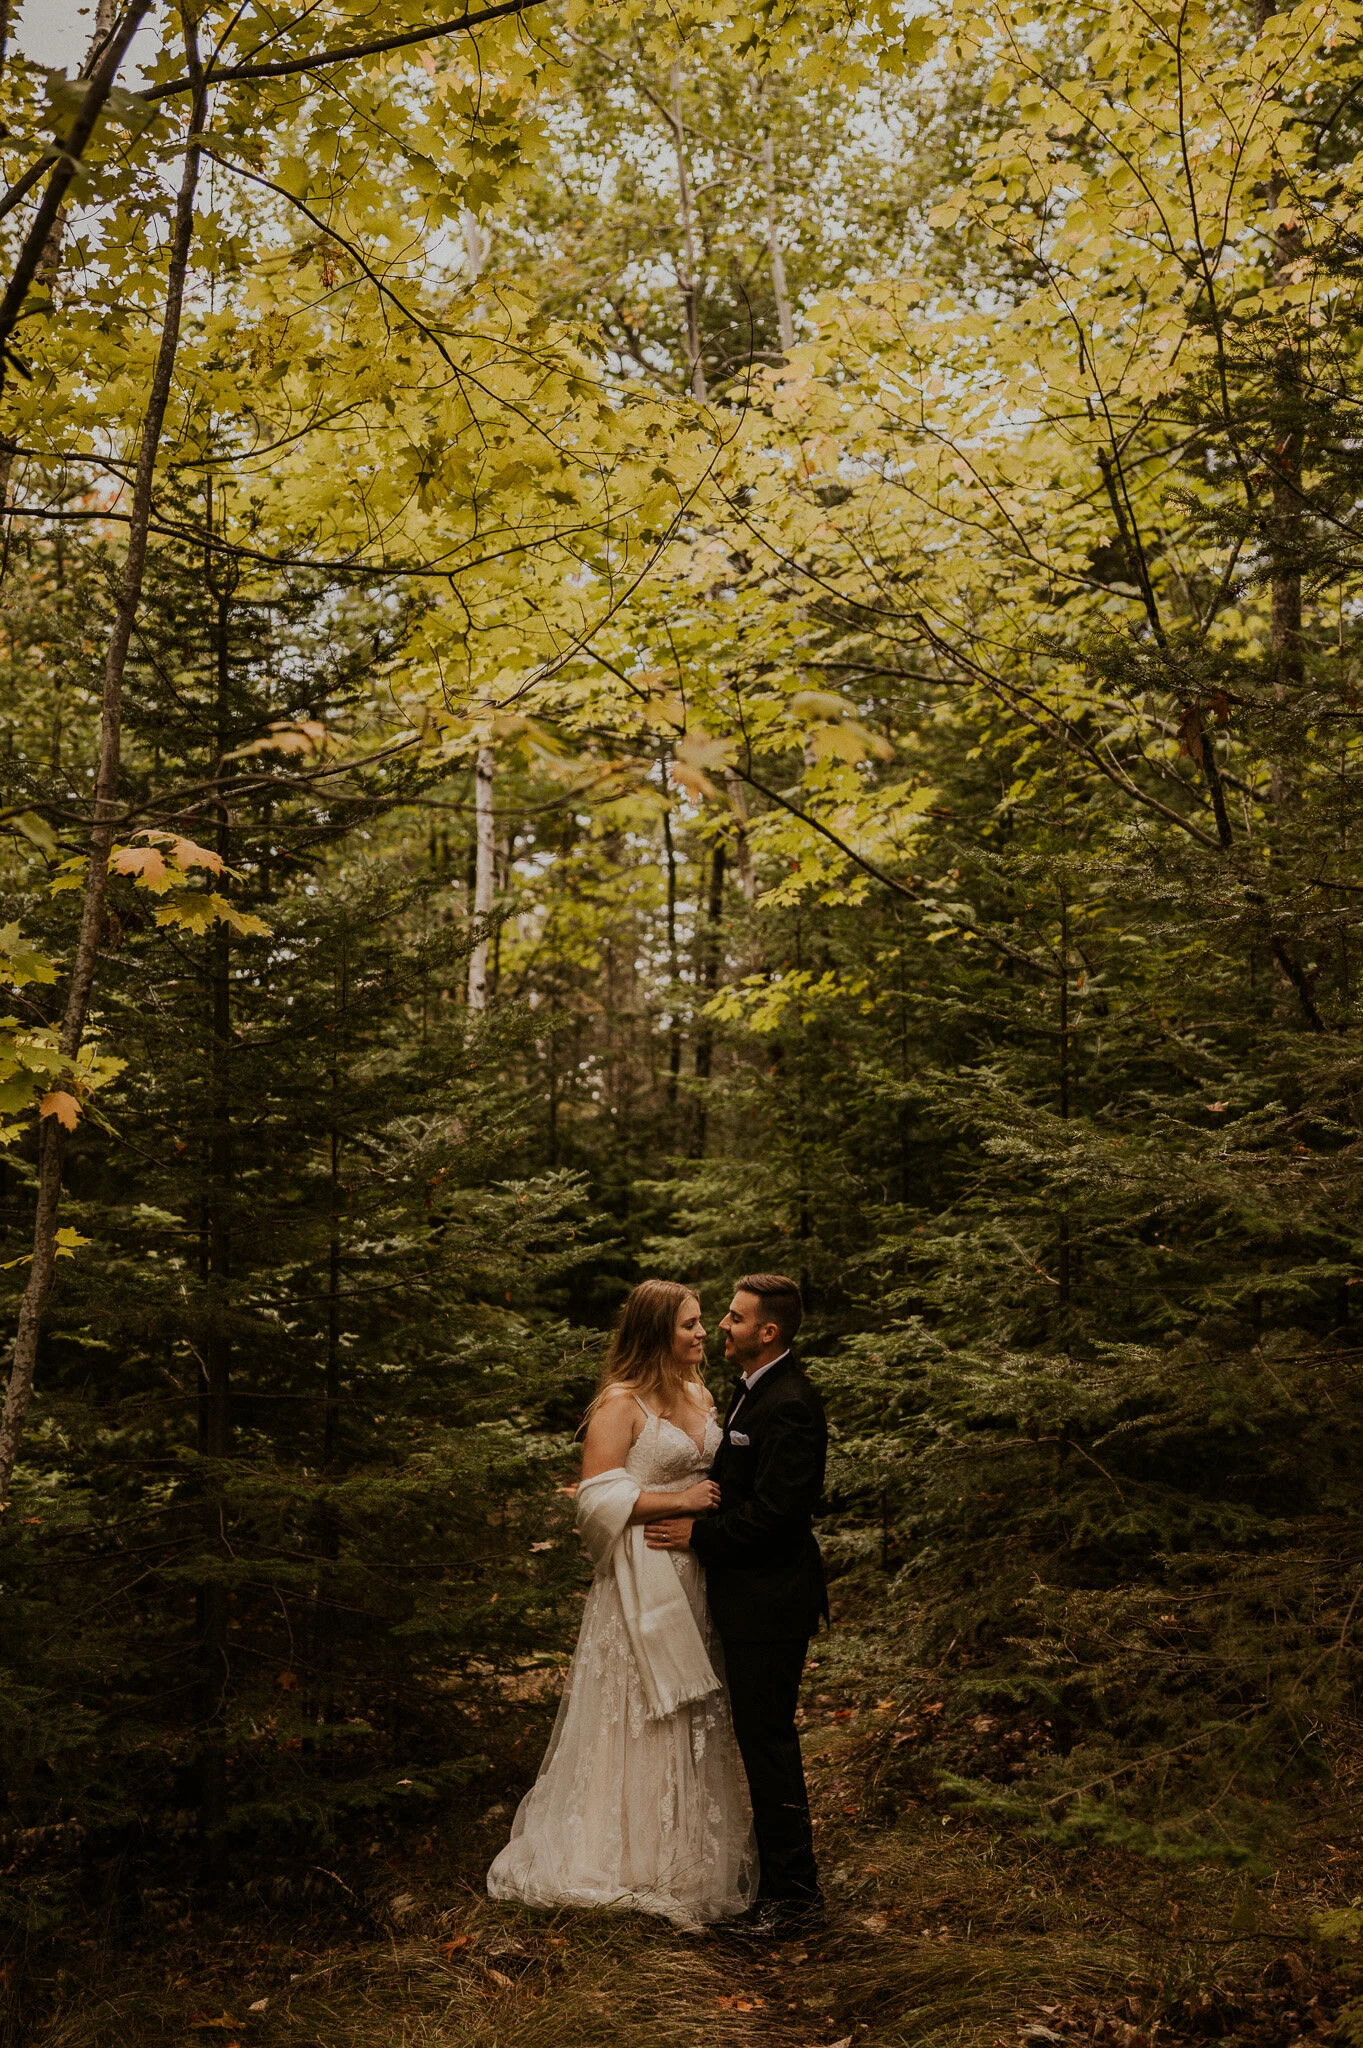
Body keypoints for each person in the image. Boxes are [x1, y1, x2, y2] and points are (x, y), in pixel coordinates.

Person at [486, 1279, 757, 1928]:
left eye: (702, 1323)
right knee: (638, 1714)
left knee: (691, 1709)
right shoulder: (620, 1403)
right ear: (656, 1331)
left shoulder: (699, 1392)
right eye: (690, 1325)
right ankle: (623, 1862)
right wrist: (679, 1503)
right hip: (641, 1581)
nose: (703, 1333)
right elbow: (592, 1499)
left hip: (695, 1577)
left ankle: (686, 1858)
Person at [646, 1272, 828, 1938]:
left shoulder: (790, 1402)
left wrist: (698, 1535)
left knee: (768, 1743)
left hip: (772, 1602)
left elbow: (780, 1515)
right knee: (757, 1741)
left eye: (733, 1317)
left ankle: (794, 1899)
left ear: (766, 1332)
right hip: (748, 1598)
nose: (720, 1326)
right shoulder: (752, 1392)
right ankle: (780, 1885)